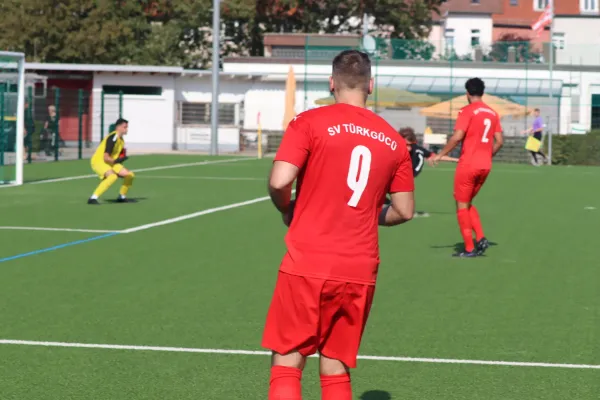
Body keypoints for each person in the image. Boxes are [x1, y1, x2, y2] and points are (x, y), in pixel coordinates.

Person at [263, 50, 415, 400]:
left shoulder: (309, 122)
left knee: (288, 360)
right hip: (359, 267)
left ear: (331, 83)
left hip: (308, 261)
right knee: (335, 364)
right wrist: (372, 213)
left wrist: (287, 209)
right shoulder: (393, 140)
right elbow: (404, 211)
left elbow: (279, 179)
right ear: (370, 86)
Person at [432, 78, 504, 257]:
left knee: (461, 205)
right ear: (482, 92)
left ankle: (470, 248)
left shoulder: (467, 111)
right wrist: (487, 155)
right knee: (467, 202)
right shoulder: (492, 113)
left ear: (467, 93)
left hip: (468, 164)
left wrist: (441, 154)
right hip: (485, 165)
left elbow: (457, 137)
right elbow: (500, 141)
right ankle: (481, 238)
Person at [88, 118, 134, 205]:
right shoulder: (113, 137)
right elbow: (106, 157)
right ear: (118, 127)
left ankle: (122, 196)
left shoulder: (121, 140)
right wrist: (117, 162)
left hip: (111, 162)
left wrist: (120, 159)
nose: (126, 129)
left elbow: (117, 157)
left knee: (130, 175)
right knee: (113, 176)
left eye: (127, 127)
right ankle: (93, 198)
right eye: (125, 127)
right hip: (99, 161)